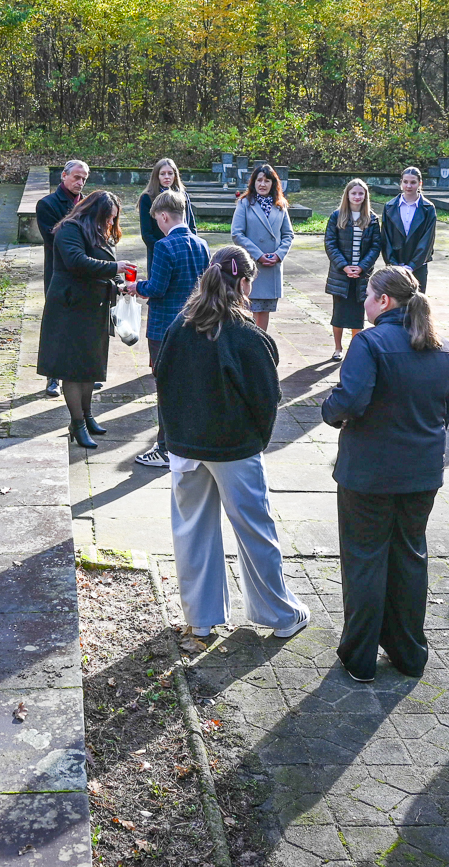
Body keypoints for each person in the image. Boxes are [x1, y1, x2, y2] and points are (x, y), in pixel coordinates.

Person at [155, 245, 310, 642]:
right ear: (243, 283)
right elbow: (267, 400)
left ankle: (200, 618)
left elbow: (163, 383)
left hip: (185, 447)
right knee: (256, 530)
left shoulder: (179, 327)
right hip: (234, 448)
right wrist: (257, 441)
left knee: (192, 531)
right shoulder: (248, 337)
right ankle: (280, 615)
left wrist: (173, 437)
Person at [320, 266, 449, 682]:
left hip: (370, 472)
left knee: (365, 559)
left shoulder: (370, 342)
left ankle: (360, 657)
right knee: (409, 558)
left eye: (368, 295)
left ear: (383, 300)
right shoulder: (445, 349)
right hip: (421, 472)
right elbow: (444, 413)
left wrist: (330, 411)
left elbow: (350, 400)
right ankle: (409, 654)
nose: (364, 302)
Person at [38, 190, 137, 448]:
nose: (110, 223)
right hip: (70, 307)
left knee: (90, 365)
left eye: (113, 219)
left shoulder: (99, 232)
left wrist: (121, 283)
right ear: (94, 211)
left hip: (94, 306)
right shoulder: (69, 229)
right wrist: (115, 268)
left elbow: (106, 263)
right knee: (72, 367)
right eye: (108, 217)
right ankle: (77, 423)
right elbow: (77, 262)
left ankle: (87, 415)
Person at [133, 189, 211, 468]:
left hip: (164, 327)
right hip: (194, 322)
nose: (157, 224)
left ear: (164, 216)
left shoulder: (164, 247)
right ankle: (187, 442)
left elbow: (157, 288)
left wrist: (135, 286)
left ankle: (165, 448)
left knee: (166, 389)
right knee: (189, 386)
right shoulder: (202, 244)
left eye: (157, 219)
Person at [38, 160, 90, 397]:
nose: (80, 182)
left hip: (84, 271)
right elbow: (54, 239)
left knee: (81, 324)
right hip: (58, 272)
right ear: (64, 176)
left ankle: (80, 374)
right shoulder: (47, 204)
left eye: (84, 179)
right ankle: (53, 377)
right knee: (57, 324)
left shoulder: (88, 204)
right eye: (77, 177)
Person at [323, 178, 383, 361]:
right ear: (347, 195)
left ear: (365, 196)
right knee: (339, 314)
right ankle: (338, 348)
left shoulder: (372, 219)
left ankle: (354, 348)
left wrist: (362, 267)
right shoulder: (337, 216)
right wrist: (344, 266)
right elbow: (330, 243)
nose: (357, 196)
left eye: (360, 193)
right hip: (340, 275)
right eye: (354, 193)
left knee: (358, 315)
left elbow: (375, 246)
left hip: (361, 276)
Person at [230, 163, 293, 331]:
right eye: (259, 180)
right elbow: (237, 233)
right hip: (251, 266)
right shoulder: (244, 203)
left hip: (272, 266)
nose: (262, 184)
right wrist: (258, 255)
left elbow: (288, 235)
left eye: (267, 181)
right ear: (253, 182)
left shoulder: (280, 205)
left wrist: (278, 255)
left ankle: (260, 343)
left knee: (264, 311)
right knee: (247, 311)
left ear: (273, 183)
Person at [379, 166, 437, 290]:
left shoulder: (428, 209)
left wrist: (411, 266)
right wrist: (394, 265)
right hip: (395, 267)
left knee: (416, 300)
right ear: (401, 183)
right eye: (405, 182)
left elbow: (427, 241)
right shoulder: (389, 207)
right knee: (395, 300)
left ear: (420, 183)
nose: (408, 186)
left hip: (418, 267)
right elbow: (386, 238)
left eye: (413, 182)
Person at [138, 158, 198, 258]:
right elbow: (146, 233)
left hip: (183, 250)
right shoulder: (147, 198)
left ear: (175, 176)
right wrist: (163, 250)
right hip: (159, 252)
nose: (167, 177)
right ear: (157, 176)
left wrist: (191, 245)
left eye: (170, 173)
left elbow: (191, 225)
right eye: (162, 174)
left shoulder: (183, 195)